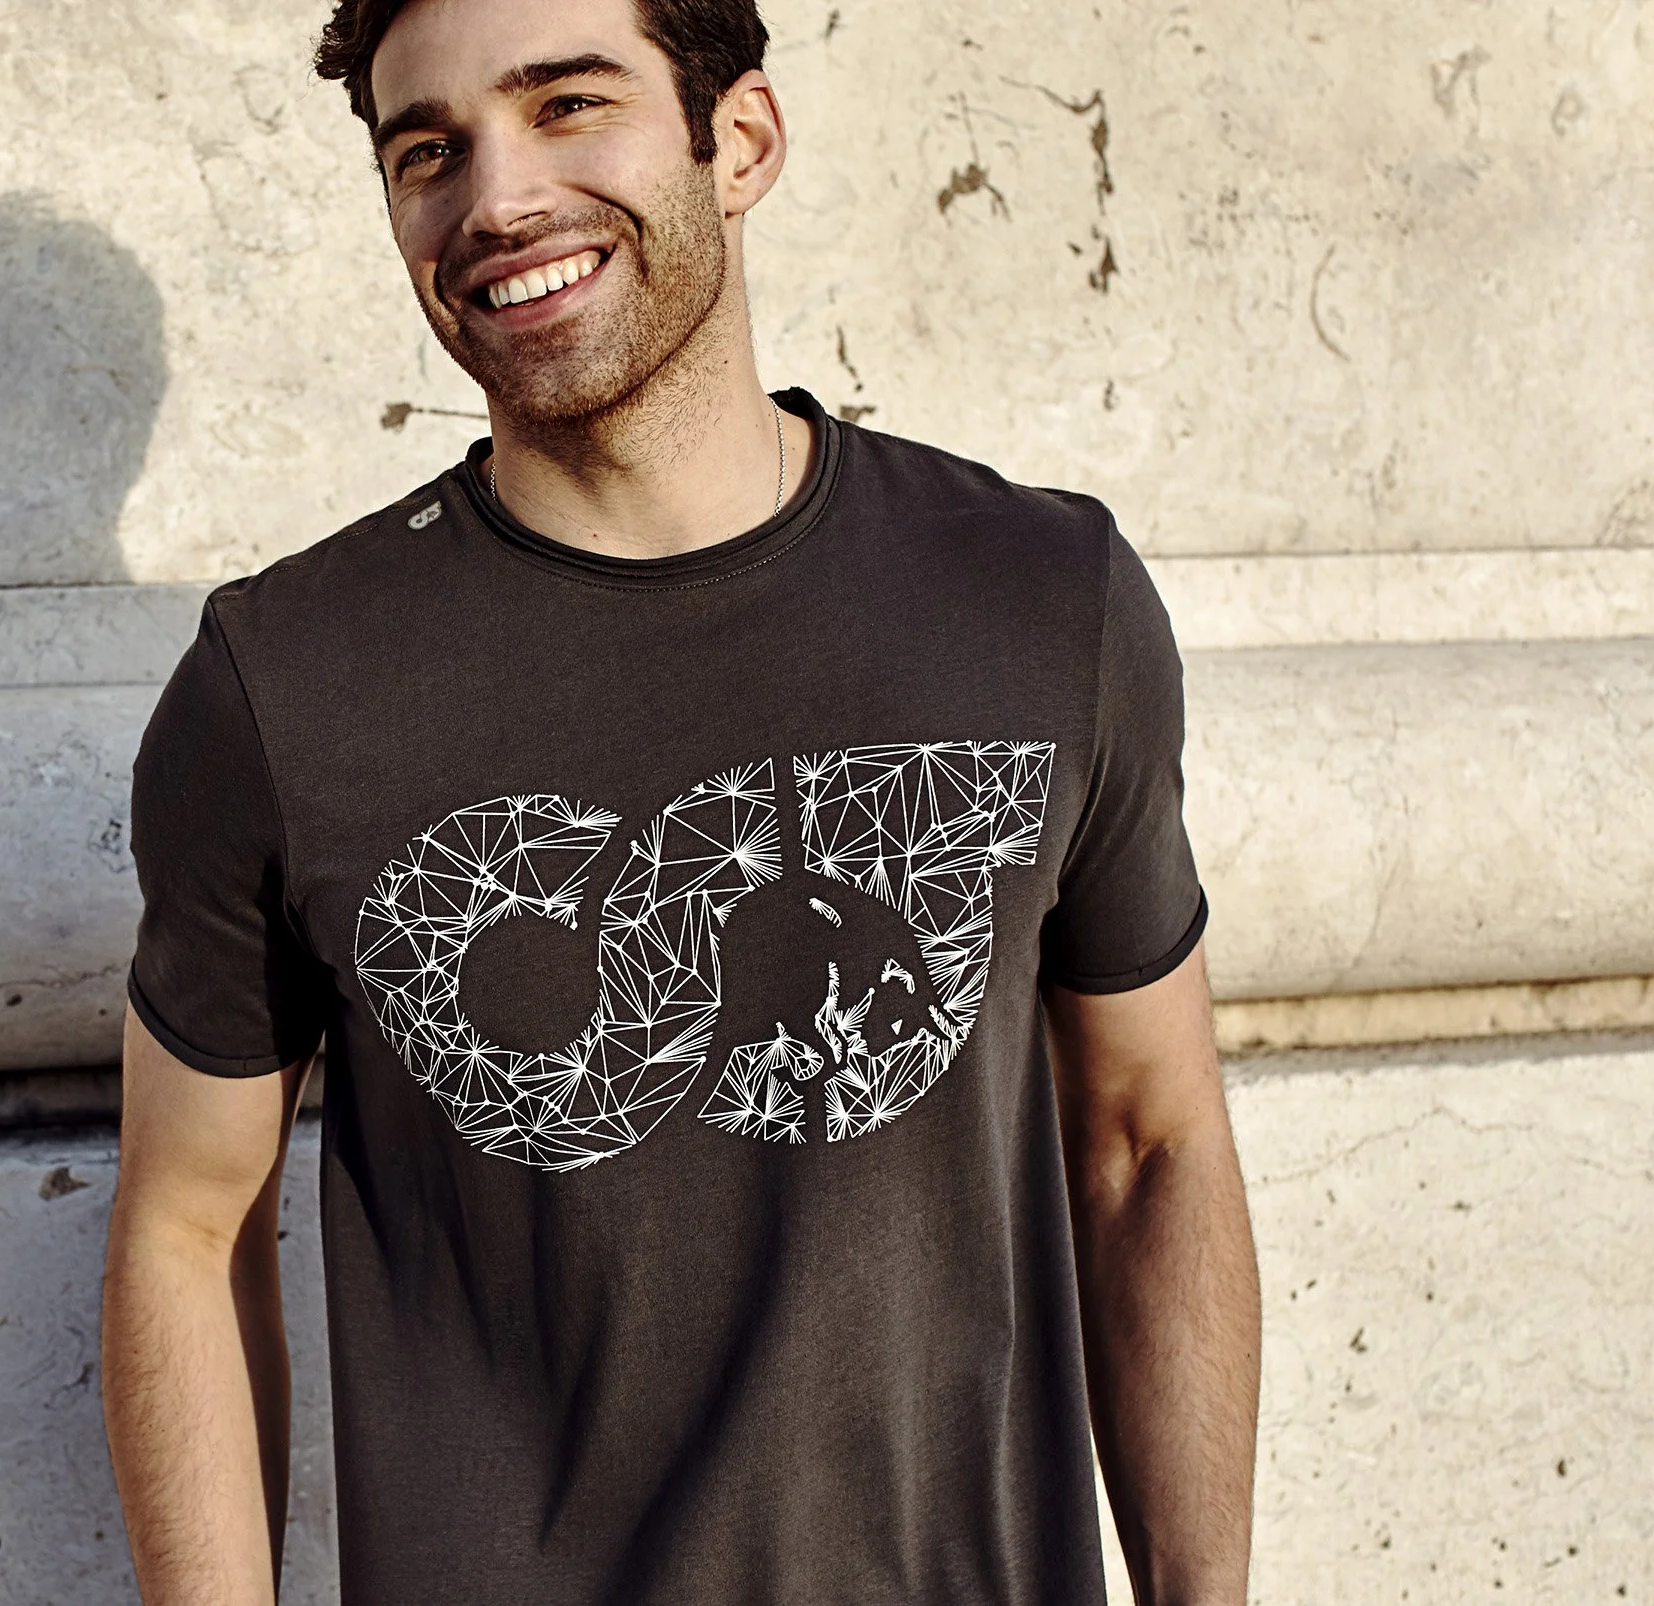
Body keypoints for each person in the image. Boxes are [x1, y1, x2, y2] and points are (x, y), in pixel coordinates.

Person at [101, 0, 1261, 1599]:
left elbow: (1150, 1140)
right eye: (425, 149)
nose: (494, 198)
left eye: (568, 104)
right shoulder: (282, 689)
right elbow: (185, 1228)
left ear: (743, 144)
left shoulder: (1042, 603)